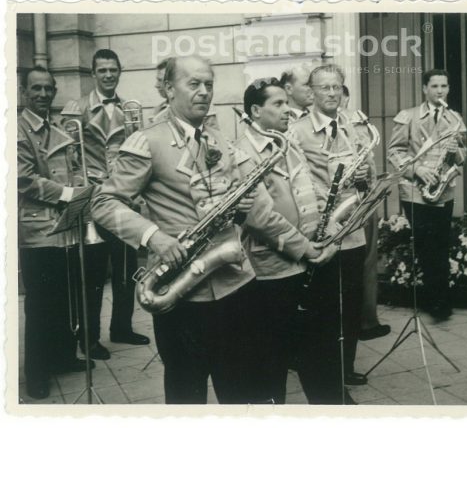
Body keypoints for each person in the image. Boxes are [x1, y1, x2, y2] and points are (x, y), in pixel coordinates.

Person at [91, 56, 323, 404]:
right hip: (184, 295)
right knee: (187, 397)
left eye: (209, 85)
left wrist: (303, 246)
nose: (204, 92)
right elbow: (103, 203)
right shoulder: (147, 142)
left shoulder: (219, 141)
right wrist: (154, 236)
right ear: (169, 89)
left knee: (244, 392)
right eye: (194, 84)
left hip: (235, 286)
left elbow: (259, 211)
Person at [235, 77, 337, 403]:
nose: (287, 110)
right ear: (255, 110)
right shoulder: (241, 153)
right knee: (272, 360)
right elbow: (261, 217)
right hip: (272, 271)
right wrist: (306, 249)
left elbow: (315, 195)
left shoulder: (289, 144)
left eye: (286, 103)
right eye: (278, 104)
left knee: (319, 353)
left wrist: (330, 233)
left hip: (310, 262)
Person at [62, 49, 150, 361]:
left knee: (127, 268)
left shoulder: (130, 108)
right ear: (93, 74)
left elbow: (140, 151)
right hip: (96, 199)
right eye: (103, 70)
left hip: (124, 197)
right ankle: (89, 338)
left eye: (114, 70)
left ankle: (122, 327)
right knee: (95, 274)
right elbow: (70, 158)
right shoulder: (79, 108)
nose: (109, 75)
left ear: (119, 72)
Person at [289, 64, 371, 394]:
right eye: (324, 88)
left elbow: (369, 176)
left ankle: (346, 366)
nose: (332, 93)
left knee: (351, 303)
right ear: (310, 93)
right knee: (324, 308)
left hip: (352, 229)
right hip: (321, 231)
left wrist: (365, 176)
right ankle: (325, 373)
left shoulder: (353, 126)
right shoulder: (298, 131)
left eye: (337, 87)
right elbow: (298, 179)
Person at [18, 67, 97, 399]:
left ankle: (62, 356)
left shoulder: (54, 128)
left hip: (63, 227)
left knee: (65, 299)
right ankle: (36, 372)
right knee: (40, 304)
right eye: (36, 89)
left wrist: (83, 184)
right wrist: (66, 194)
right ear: (23, 91)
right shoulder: (17, 130)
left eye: (48, 89)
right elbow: (22, 178)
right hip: (38, 229)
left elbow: (71, 165)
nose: (43, 95)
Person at [387, 69, 467, 321]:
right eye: (434, 86)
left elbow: (462, 159)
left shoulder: (454, 119)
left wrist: (456, 151)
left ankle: (440, 300)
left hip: (443, 190)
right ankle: (433, 300)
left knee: (441, 245)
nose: (440, 91)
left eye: (444, 86)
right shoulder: (408, 117)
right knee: (425, 246)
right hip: (415, 192)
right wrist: (417, 169)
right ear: (424, 89)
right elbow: (394, 152)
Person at [339, 86, 390, 341]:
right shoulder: (341, 125)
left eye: (341, 93)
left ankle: (366, 320)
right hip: (347, 205)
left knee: (367, 262)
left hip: (363, 200)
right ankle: (357, 323)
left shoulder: (354, 122)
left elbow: (369, 163)